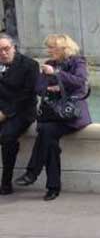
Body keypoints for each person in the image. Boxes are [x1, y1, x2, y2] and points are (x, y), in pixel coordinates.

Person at [16, 34, 91, 201]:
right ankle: (51, 186)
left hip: (72, 115)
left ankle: (34, 174)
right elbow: (39, 87)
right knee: (49, 139)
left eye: (52, 48)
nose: (49, 51)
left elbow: (80, 82)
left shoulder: (78, 62)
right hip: (53, 114)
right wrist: (50, 89)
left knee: (46, 132)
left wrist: (57, 75)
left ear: (64, 48)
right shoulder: (49, 64)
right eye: (48, 48)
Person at [0, 34, 39, 195]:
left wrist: (5, 113)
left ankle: (6, 182)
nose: (2, 53)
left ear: (14, 48)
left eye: (6, 49)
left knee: (7, 136)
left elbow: (27, 95)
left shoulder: (30, 65)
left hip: (22, 111)